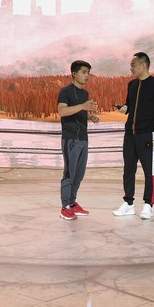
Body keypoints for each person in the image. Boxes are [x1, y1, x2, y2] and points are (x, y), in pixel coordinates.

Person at [113, 52, 154, 219]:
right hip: (130, 134)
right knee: (128, 169)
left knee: (150, 171)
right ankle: (128, 203)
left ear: (144, 65)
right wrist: (124, 108)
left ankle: (148, 205)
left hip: (147, 135)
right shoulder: (132, 84)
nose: (131, 68)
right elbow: (130, 106)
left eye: (133, 65)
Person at [58, 60, 100, 220]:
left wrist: (90, 116)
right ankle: (65, 207)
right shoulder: (65, 91)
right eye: (83, 72)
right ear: (74, 73)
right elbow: (62, 111)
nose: (87, 75)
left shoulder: (85, 94)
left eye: (88, 73)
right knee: (69, 174)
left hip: (83, 138)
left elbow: (80, 111)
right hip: (70, 139)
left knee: (79, 174)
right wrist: (83, 107)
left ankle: (72, 203)